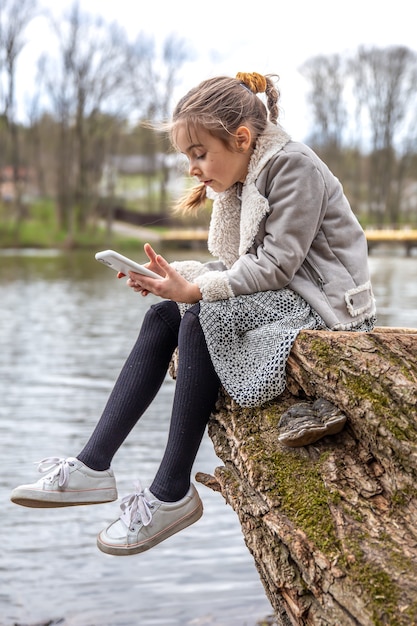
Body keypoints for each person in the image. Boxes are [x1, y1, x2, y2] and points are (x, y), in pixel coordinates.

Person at [10, 71, 376, 555]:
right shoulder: (245, 175)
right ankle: (93, 465)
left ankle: (172, 491)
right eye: (187, 156)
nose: (192, 168)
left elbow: (275, 265)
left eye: (199, 153)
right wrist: (172, 281)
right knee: (164, 315)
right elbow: (237, 266)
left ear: (242, 138)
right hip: (287, 290)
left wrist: (196, 292)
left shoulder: (292, 167)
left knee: (201, 316)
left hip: (328, 306)